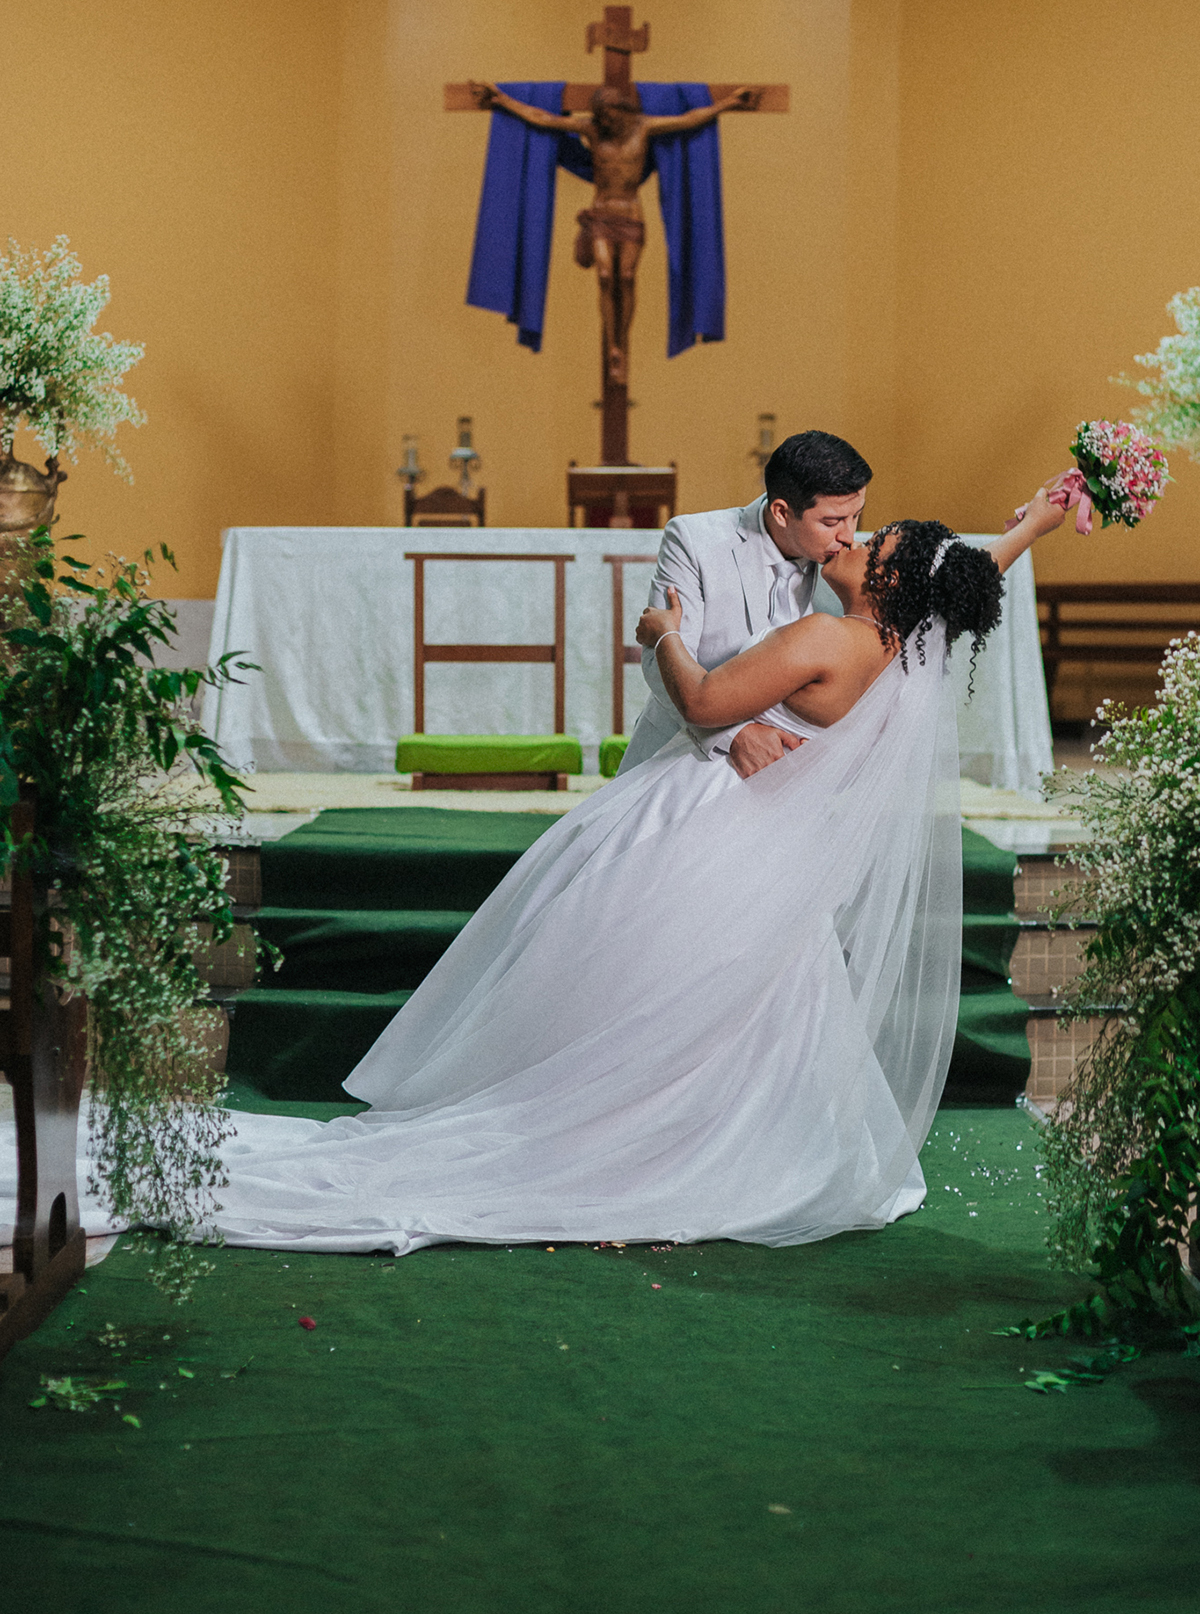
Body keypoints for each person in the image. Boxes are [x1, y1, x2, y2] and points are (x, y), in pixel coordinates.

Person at [178, 478, 1065, 1258]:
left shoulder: (826, 638)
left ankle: (589, 1135)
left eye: (873, 544)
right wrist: (1032, 525)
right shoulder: (909, 649)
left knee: (611, 977)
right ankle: (687, 1138)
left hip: (709, 830)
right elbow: (967, 576)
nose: (853, 541)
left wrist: (665, 632)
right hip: (774, 865)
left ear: (892, 583)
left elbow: (704, 701)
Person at [619, 430, 871, 779]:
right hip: (683, 761)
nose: (848, 536)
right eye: (831, 522)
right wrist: (735, 735)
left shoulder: (852, 568)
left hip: (792, 778)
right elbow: (659, 660)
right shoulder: (694, 540)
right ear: (781, 512)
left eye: (856, 516)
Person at [471, 80, 756, 383]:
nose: (605, 122)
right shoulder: (592, 130)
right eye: (601, 116)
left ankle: (622, 339)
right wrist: (502, 100)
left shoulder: (643, 127)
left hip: (630, 213)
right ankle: (614, 346)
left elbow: (688, 120)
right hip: (602, 213)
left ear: (622, 110)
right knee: (606, 276)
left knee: (628, 276)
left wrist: (728, 104)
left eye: (609, 115)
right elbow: (543, 118)